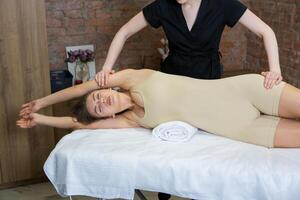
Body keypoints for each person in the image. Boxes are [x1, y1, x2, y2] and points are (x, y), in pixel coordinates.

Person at [17, 69, 300, 148]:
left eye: (98, 96)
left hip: (246, 92)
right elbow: (79, 123)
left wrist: (42, 100)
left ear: (105, 88)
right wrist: (41, 118)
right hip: (243, 130)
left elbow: (82, 88)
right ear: (109, 116)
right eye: (99, 108)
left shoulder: (132, 77)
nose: (101, 102)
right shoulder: (134, 120)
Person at [96, 0, 282, 90]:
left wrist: (275, 69)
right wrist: (106, 68)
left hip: (208, 79)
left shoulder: (222, 4)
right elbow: (124, 31)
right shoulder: (163, 6)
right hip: (172, 79)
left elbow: (266, 32)